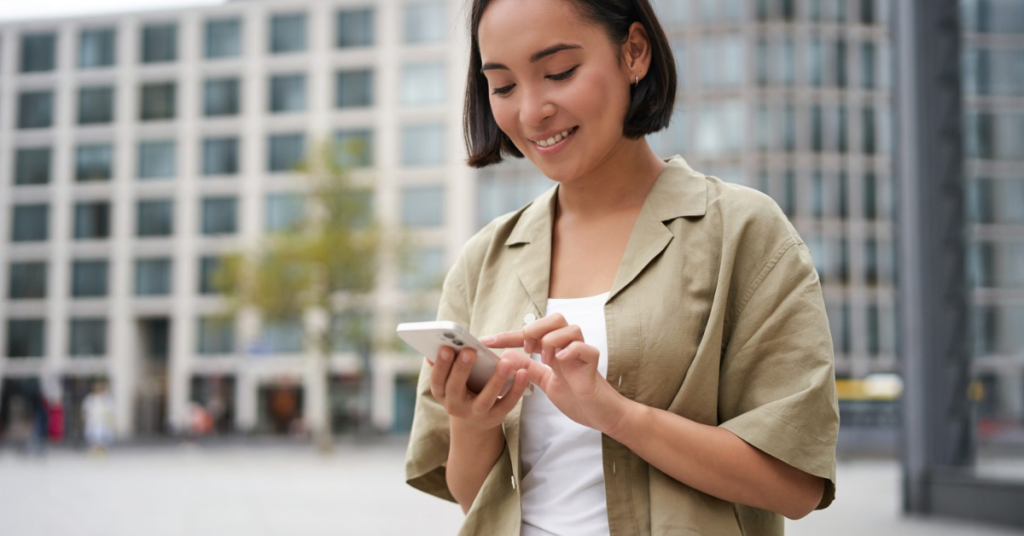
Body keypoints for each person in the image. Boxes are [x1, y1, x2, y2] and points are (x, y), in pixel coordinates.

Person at [404, 0, 840, 535]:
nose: (531, 110)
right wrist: (473, 423)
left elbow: (796, 484)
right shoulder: (482, 261)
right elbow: (475, 497)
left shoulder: (742, 231)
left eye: (559, 72)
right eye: (503, 86)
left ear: (634, 52)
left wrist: (615, 414)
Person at [82, 381, 116, 454]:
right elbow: (86, 411)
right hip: (93, 423)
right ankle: (95, 449)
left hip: (105, 424)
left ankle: (102, 449)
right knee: (94, 437)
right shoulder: (90, 399)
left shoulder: (107, 399)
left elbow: (111, 411)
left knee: (104, 437)